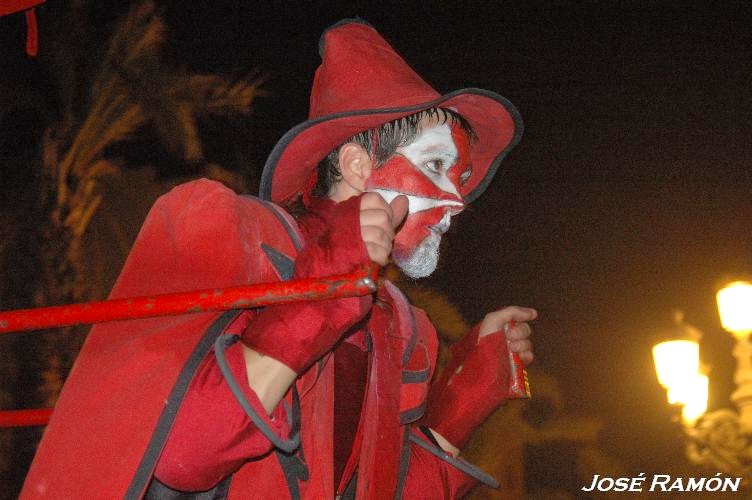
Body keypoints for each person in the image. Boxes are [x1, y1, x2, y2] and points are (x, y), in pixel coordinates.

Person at [22, 19, 535, 499]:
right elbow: (182, 454)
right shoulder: (232, 228)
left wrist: (461, 405)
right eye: (437, 165)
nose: (457, 201)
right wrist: (329, 288)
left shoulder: (403, 322)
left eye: (461, 179)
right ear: (358, 165)